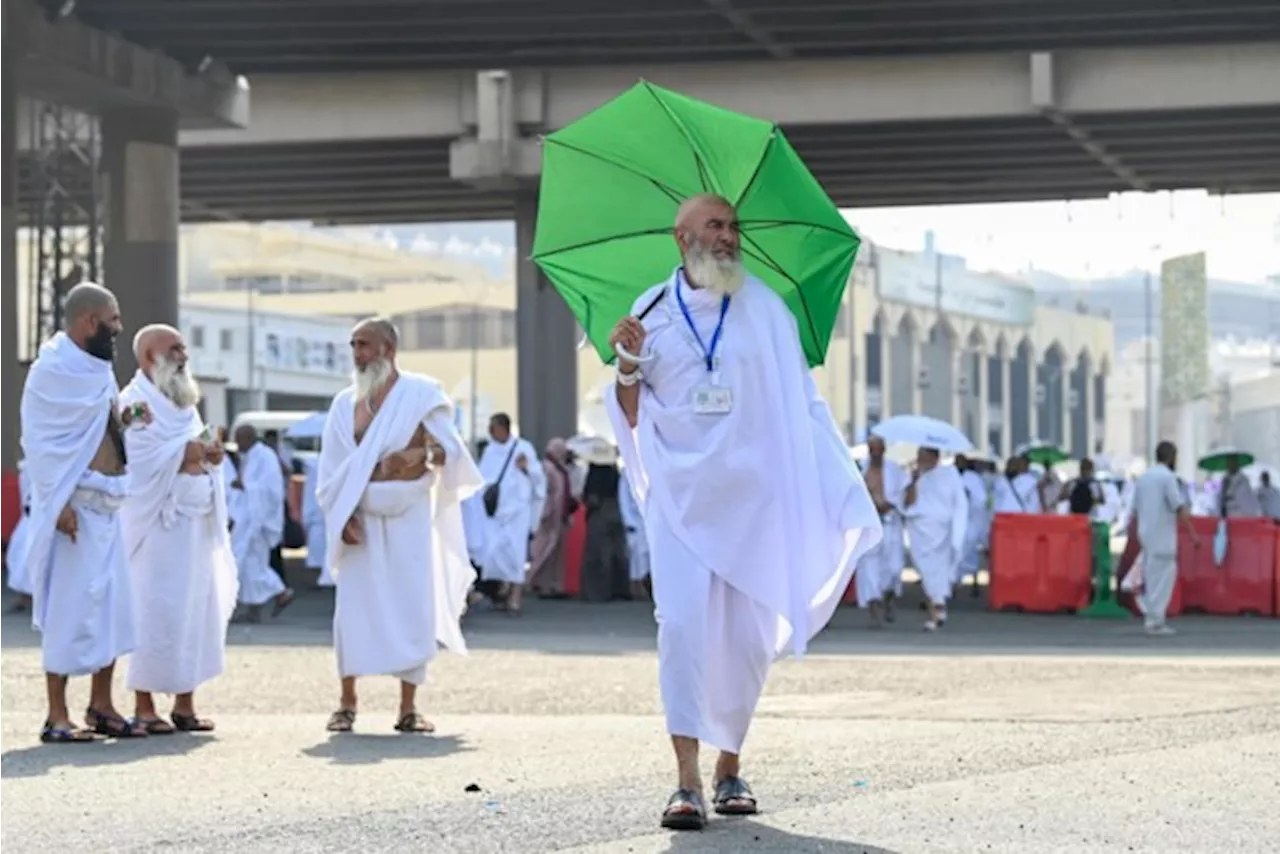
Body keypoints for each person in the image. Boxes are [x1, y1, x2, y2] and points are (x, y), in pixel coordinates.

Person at [604, 193, 881, 829]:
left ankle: (730, 768)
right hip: (680, 503)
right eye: (715, 226)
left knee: (746, 641)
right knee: (680, 629)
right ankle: (686, 782)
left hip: (754, 506)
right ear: (682, 238)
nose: (728, 237)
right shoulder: (648, 313)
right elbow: (630, 417)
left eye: (733, 226)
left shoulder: (768, 312)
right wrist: (624, 367)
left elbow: (801, 406)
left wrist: (838, 482)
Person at [316, 318, 482, 733]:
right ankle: (347, 703)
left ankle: (408, 708)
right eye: (353, 344)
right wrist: (344, 517)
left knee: (412, 605)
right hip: (361, 519)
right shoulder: (343, 405)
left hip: (408, 516)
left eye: (365, 345)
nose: (357, 353)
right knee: (352, 612)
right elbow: (332, 471)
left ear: (389, 349)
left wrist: (419, 458)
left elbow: (450, 454)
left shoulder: (421, 395)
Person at [20, 282, 148, 742]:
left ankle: (102, 705)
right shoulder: (50, 370)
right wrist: (57, 506)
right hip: (72, 511)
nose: (119, 327)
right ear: (89, 321)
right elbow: (41, 445)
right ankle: (57, 715)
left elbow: (100, 426)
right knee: (69, 611)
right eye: (113, 319)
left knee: (113, 610)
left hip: (108, 505)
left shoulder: (98, 369)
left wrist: (129, 419)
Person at [120, 325, 238, 733]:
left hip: (193, 527)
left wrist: (209, 454)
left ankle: (185, 704)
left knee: (195, 612)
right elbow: (134, 457)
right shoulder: (134, 402)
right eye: (175, 349)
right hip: (156, 529)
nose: (184, 355)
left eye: (184, 347)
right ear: (150, 357)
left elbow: (196, 447)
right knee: (154, 612)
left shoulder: (184, 401)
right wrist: (186, 453)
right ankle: (144, 706)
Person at [470, 413, 545, 615]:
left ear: (504, 428)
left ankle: (515, 597)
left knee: (515, 555)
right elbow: (482, 477)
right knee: (493, 553)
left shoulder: (523, 448)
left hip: (517, 512)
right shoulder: (490, 451)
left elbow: (539, 480)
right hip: (494, 513)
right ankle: (501, 591)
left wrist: (526, 467)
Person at [1132, 440, 1200, 635]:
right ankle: (1156, 620)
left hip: (1145, 534)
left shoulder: (1143, 479)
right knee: (1164, 578)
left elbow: (1135, 510)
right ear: (1170, 456)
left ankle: (1151, 617)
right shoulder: (1167, 478)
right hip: (1162, 535)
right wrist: (1193, 534)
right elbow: (1178, 506)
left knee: (1151, 576)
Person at [229, 425, 296, 622]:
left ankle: (281, 592)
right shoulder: (251, 456)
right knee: (249, 565)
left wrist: (245, 485)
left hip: (259, 520)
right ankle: (254, 610)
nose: (237, 444)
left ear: (248, 438)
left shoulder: (265, 456)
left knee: (254, 565)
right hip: (248, 518)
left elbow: (271, 489)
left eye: (239, 439)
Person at [902, 447, 967, 631]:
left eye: (925, 456)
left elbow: (959, 503)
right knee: (925, 570)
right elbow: (908, 501)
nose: (921, 460)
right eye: (919, 456)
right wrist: (914, 480)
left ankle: (936, 610)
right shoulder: (914, 476)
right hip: (920, 529)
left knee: (937, 571)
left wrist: (957, 530)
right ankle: (938, 605)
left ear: (935, 457)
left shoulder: (949, 474)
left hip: (941, 531)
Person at [855, 435, 908, 626]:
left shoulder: (895, 469)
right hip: (869, 524)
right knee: (869, 569)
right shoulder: (860, 469)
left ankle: (888, 598)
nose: (876, 453)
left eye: (879, 449)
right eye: (873, 449)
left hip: (890, 522)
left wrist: (891, 504)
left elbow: (903, 493)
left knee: (894, 568)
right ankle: (874, 611)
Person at [527, 437, 575, 598]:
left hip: (559, 515)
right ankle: (538, 583)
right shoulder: (546, 468)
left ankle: (555, 585)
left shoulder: (560, 468)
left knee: (557, 553)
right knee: (544, 550)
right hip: (548, 516)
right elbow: (544, 493)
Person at [1219, 454, 1261, 518]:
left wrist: (1229, 496)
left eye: (1233, 462)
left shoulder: (1243, 479)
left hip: (1242, 515)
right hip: (1228, 516)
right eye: (1229, 463)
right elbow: (1222, 499)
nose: (1230, 465)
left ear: (1237, 464)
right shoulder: (1225, 479)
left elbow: (1243, 498)